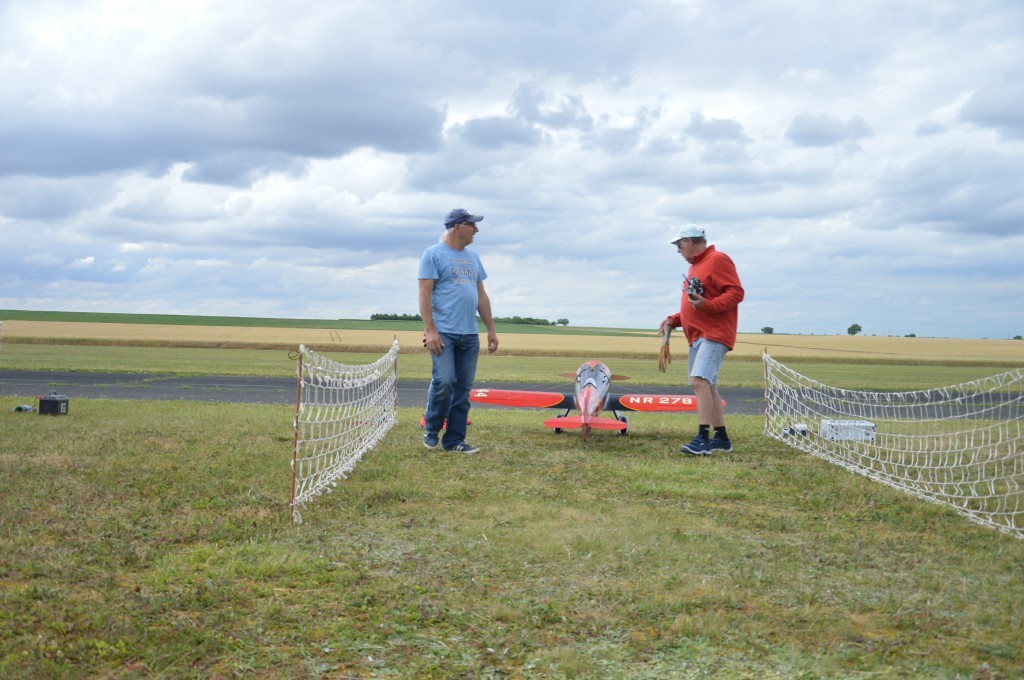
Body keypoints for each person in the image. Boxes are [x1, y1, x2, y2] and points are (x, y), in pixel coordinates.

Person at [418, 208, 499, 454]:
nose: (476, 230)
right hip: (443, 333)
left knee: (463, 389)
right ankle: (432, 428)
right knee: (444, 381)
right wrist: (430, 330)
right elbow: (424, 293)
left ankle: (454, 441)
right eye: (472, 225)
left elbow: (481, 296)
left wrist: (491, 330)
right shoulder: (432, 254)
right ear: (457, 227)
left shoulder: (473, 258)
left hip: (469, 334)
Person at [659, 224, 745, 456]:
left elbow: (736, 293)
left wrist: (708, 305)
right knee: (708, 385)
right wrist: (674, 319)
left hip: (714, 333)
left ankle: (702, 438)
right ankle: (722, 438)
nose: (678, 250)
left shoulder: (718, 259)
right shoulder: (695, 267)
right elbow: (693, 306)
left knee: (699, 381)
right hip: (697, 336)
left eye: (679, 244)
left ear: (689, 241)